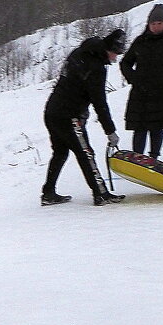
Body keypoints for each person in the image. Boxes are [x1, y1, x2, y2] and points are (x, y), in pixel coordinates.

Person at [40, 29, 126, 206]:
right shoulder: (96, 68)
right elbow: (100, 103)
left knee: (60, 152)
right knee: (86, 153)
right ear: (107, 50)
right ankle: (100, 194)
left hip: (52, 111)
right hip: (69, 115)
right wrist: (110, 131)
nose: (114, 59)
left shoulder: (80, 52)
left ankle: (48, 193)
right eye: (114, 54)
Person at [119, 4, 163, 161]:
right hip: (141, 92)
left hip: (162, 91)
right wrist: (133, 78)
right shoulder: (140, 41)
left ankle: (154, 158)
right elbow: (125, 62)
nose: (156, 27)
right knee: (139, 127)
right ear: (148, 24)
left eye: (159, 23)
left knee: (156, 126)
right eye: (153, 24)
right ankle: (137, 157)